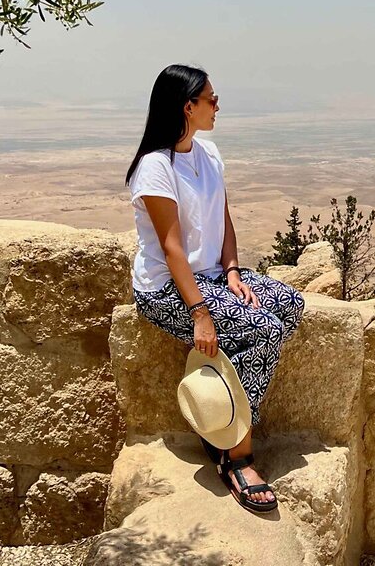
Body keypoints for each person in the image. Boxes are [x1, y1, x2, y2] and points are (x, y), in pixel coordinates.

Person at [124, 63, 307, 509]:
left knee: (289, 304)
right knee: (260, 331)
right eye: (210, 98)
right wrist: (200, 313)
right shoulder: (155, 167)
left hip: (210, 276)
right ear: (188, 106)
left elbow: (222, 218)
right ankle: (235, 453)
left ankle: (220, 407)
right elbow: (171, 249)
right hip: (167, 289)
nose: (217, 104)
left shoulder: (208, 153)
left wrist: (232, 273)